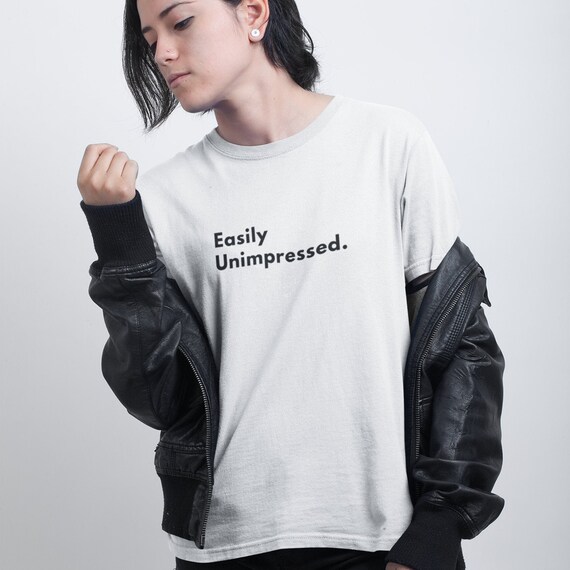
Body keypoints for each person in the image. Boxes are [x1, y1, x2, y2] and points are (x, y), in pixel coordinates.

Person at [77, 1, 505, 568]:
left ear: (253, 13)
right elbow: (160, 399)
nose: (163, 53)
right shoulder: (163, 199)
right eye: (150, 39)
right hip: (226, 545)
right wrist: (120, 242)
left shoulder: (387, 143)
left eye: (180, 22)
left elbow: (463, 347)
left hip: (383, 537)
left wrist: (442, 521)